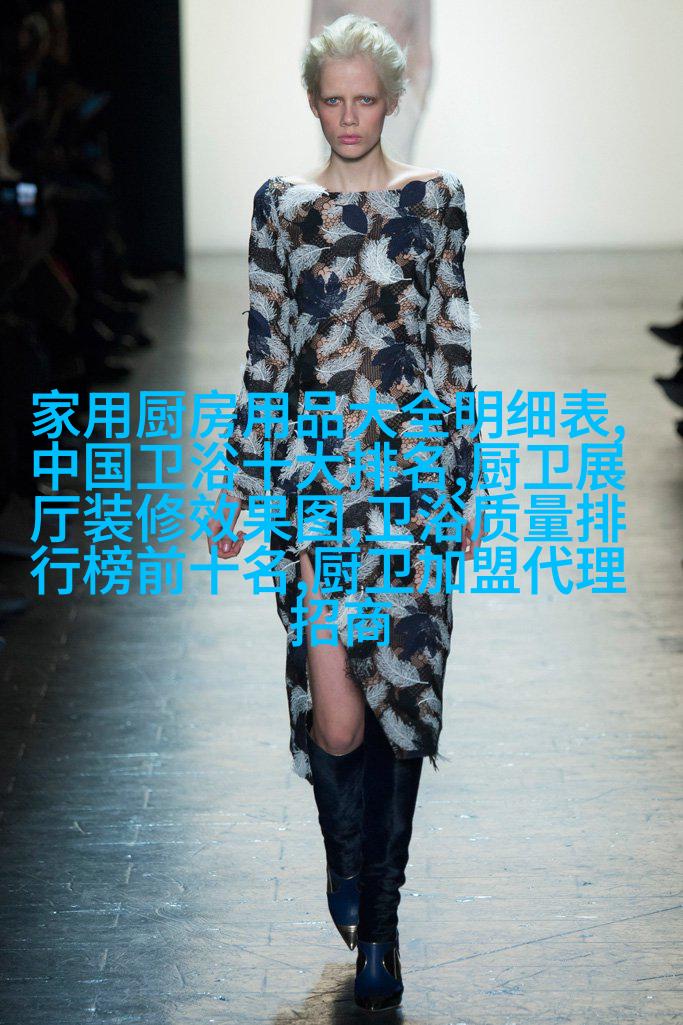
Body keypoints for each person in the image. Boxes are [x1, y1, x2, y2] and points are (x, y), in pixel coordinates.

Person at [207, 13, 489, 1012]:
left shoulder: (434, 199)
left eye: (365, 98)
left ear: (392, 98)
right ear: (312, 102)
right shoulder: (281, 207)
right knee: (335, 720)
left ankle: (380, 925)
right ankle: (344, 850)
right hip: (315, 491)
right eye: (332, 100)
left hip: (412, 484)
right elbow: (264, 352)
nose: (350, 116)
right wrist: (239, 485)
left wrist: (464, 482)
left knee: (400, 704)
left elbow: (451, 345)